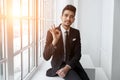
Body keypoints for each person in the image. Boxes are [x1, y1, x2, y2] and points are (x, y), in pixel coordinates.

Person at [43, 4, 89, 80]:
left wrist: (67, 68)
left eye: (71, 16)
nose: (68, 18)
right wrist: (55, 41)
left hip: (73, 64)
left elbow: (78, 54)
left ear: (74, 19)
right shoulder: (51, 32)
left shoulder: (76, 33)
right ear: (61, 17)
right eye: (66, 15)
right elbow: (46, 56)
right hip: (59, 64)